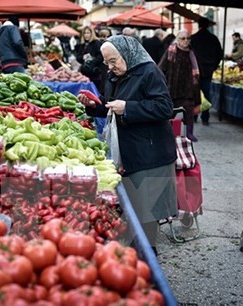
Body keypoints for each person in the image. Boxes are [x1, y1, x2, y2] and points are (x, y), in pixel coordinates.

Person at [77, 35, 177, 255]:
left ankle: (149, 257)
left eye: (114, 61)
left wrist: (129, 108)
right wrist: (94, 106)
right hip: (130, 150)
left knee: (148, 211)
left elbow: (164, 108)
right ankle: (135, 252)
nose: (110, 67)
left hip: (151, 153)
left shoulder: (150, 72)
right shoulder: (114, 75)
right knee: (134, 206)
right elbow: (111, 104)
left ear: (128, 54)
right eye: (107, 62)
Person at [159, 30, 200, 142]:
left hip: (187, 88)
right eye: (183, 38)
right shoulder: (171, 51)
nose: (186, 41)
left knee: (189, 111)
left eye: (188, 38)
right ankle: (166, 133)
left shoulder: (191, 53)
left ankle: (189, 133)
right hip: (172, 88)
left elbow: (196, 73)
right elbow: (161, 68)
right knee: (170, 112)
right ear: (177, 39)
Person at [190, 17, 223, 126]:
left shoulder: (193, 38)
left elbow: (188, 54)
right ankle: (205, 117)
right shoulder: (213, 38)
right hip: (208, 70)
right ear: (208, 25)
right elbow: (220, 54)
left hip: (195, 70)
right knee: (206, 93)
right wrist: (214, 66)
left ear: (199, 25)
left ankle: (194, 116)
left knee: (195, 93)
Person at [75, 26, 103, 93]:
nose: (86, 35)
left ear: (91, 33)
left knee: (94, 91)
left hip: (95, 73)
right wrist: (83, 57)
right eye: (84, 33)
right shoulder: (82, 44)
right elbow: (78, 57)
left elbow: (100, 57)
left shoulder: (97, 43)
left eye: (88, 33)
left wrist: (91, 59)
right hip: (84, 73)